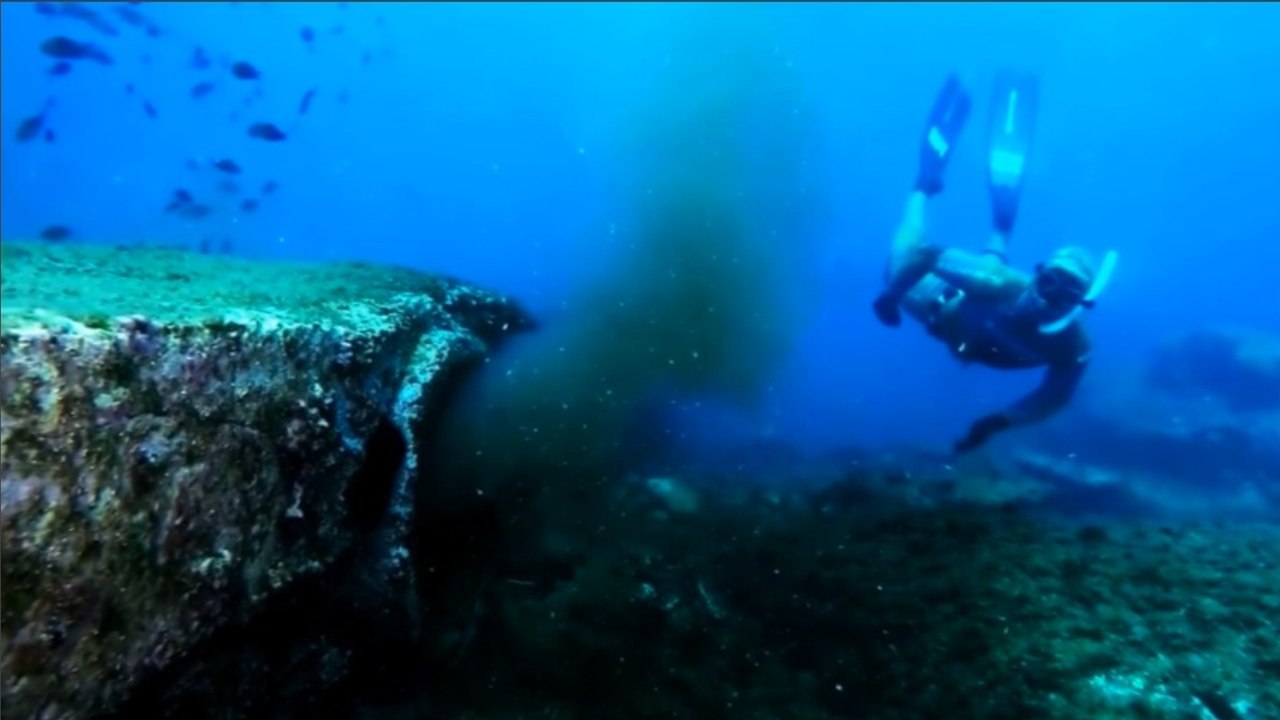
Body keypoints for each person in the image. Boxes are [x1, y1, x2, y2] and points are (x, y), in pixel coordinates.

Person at [871, 72, 1118, 454]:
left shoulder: (1074, 347)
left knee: (987, 273)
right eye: (1051, 282)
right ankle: (925, 184)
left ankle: (999, 234)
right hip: (942, 303)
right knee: (902, 255)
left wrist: (998, 423)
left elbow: (1054, 396)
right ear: (1038, 276)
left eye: (1068, 293)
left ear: (1081, 302)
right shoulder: (1001, 284)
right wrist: (892, 295)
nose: (1053, 297)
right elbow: (927, 255)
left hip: (978, 310)